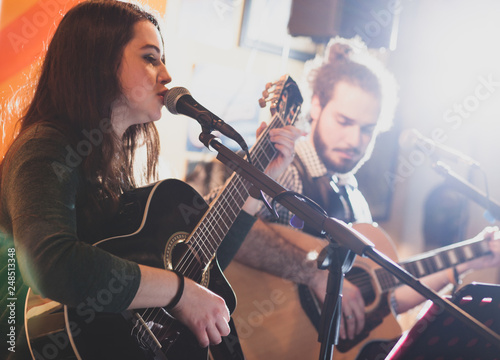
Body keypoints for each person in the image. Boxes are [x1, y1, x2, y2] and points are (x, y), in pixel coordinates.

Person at [0, 1, 302, 359]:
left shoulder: (110, 164)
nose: (167, 75)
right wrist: (181, 293)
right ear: (98, 62)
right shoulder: (45, 147)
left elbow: (200, 264)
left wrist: (258, 187)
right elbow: (53, 266)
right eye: (150, 57)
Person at [225, 37, 500, 358]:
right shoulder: (287, 169)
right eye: (344, 122)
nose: (355, 140)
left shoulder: (353, 197)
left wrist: (465, 260)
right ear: (316, 105)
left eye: (368, 129)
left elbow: (386, 299)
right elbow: (233, 232)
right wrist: (313, 273)